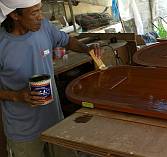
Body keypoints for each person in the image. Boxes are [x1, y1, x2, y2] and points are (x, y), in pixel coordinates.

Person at [0, 0, 100, 156]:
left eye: (40, 10)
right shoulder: (2, 44)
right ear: (14, 15)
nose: (41, 17)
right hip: (24, 132)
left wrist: (88, 49)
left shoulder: (44, 27)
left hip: (55, 122)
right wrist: (17, 96)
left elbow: (67, 41)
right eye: (34, 13)